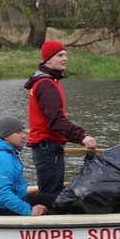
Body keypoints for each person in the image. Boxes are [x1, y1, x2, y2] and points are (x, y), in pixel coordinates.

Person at [24, 40, 97, 194]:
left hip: (47, 146)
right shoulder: (46, 85)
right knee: (51, 193)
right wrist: (82, 137)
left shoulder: (49, 82)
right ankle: (38, 214)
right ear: (48, 60)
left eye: (65, 55)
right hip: (47, 147)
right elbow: (56, 122)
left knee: (50, 190)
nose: (65, 58)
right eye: (59, 55)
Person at [0, 115, 56, 216]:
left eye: (23, 131)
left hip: (11, 201)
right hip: (0, 210)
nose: (24, 136)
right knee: (57, 214)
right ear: (6, 137)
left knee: (58, 200)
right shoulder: (2, 159)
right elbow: (3, 194)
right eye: (18, 132)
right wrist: (29, 210)